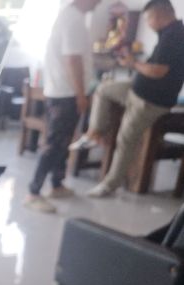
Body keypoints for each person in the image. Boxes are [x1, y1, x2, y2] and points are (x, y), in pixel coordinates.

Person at [71, 0, 184, 198]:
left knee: (126, 140)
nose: (148, 24)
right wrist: (134, 64)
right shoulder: (168, 33)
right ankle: (95, 133)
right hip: (136, 89)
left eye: (148, 19)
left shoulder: (175, 36)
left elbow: (158, 71)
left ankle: (110, 185)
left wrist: (133, 63)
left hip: (150, 101)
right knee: (103, 89)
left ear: (158, 16)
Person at [24, 0, 102, 214]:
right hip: (66, 94)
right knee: (53, 144)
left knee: (63, 142)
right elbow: (72, 60)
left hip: (64, 92)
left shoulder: (70, 17)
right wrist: (80, 94)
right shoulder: (73, 20)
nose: (100, 2)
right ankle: (33, 193)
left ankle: (57, 185)